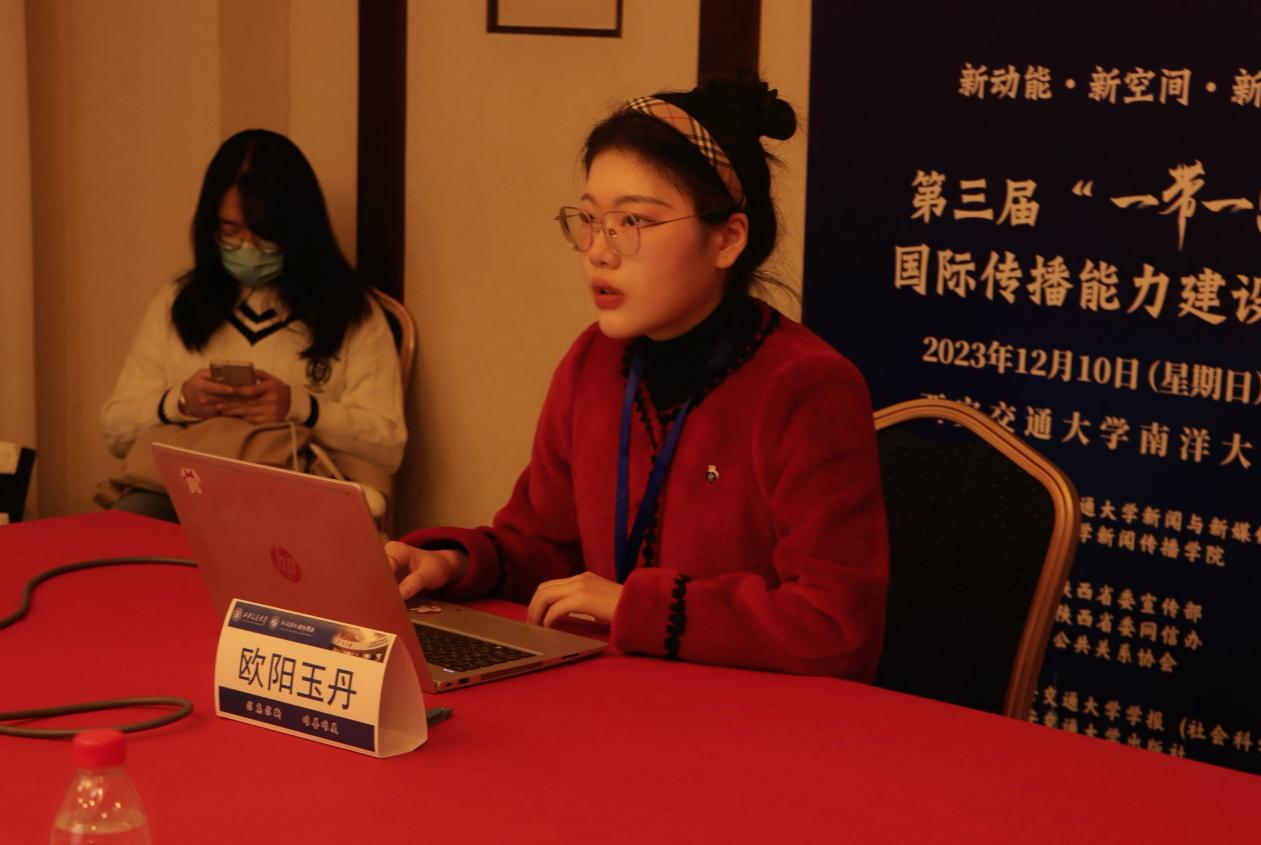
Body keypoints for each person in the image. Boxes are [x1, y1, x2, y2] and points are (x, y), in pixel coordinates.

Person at [388, 75, 888, 678]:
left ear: (727, 239)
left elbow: (836, 626)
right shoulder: (593, 361)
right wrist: (453, 563)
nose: (599, 251)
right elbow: (546, 547)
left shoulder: (805, 385)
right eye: (590, 220)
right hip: (614, 689)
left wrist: (640, 606)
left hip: (748, 712)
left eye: (632, 222)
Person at [101, 129, 405, 521]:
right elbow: (116, 429)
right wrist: (181, 403)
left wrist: (299, 407)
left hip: (298, 491)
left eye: (263, 236)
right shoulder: (178, 303)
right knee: (124, 529)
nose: (246, 247)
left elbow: (388, 445)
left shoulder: (351, 312)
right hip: (185, 490)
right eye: (229, 231)